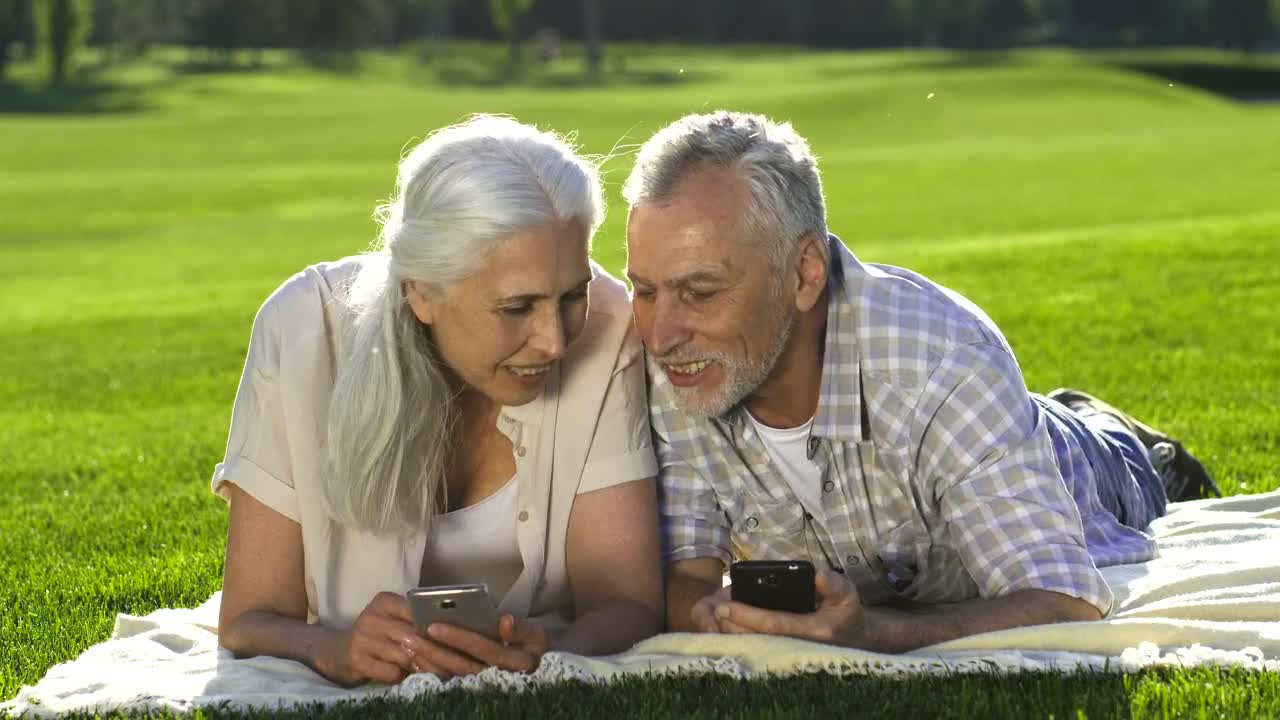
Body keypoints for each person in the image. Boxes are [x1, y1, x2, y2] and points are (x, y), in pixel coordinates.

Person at [622, 110, 1219, 652]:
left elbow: (1066, 605)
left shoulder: (943, 362)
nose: (660, 332)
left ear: (804, 274)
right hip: (966, 449)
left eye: (700, 292)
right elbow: (686, 576)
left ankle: (1134, 442)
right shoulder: (679, 362)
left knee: (1126, 466)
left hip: (1085, 468)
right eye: (644, 291)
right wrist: (707, 614)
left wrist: (872, 634)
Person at [212, 115, 663, 686]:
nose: (554, 340)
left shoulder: (606, 325)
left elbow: (628, 602)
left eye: (572, 294)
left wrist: (553, 649)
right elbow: (249, 618)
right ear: (421, 291)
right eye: (516, 307)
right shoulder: (304, 330)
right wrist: (335, 649)